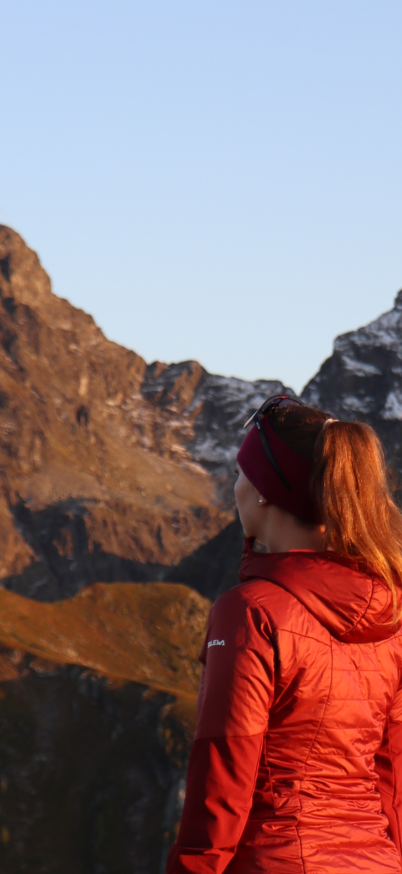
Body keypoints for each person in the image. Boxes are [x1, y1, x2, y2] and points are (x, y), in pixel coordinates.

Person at [166, 395, 402, 874]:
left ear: (263, 491)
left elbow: (222, 776)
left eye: (239, 474)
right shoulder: (390, 613)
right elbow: (392, 774)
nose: (233, 488)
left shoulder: (251, 613)